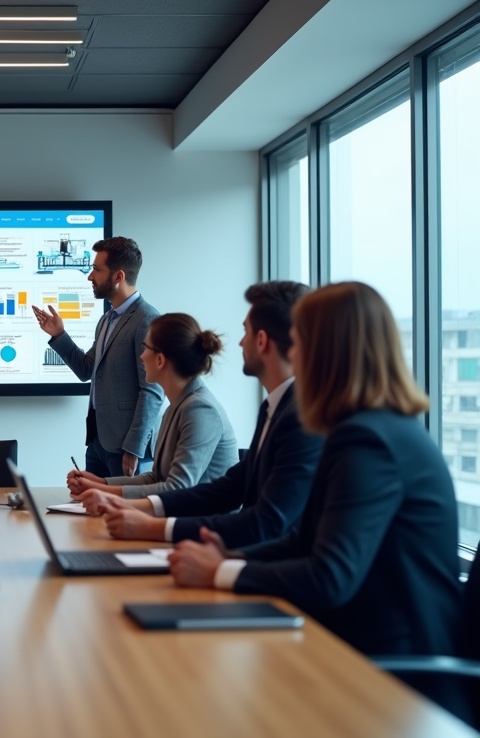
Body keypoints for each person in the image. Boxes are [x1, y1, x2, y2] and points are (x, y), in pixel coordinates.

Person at [168, 282, 463, 664]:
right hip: (360, 644)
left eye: (298, 340)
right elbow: (305, 542)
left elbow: (330, 577)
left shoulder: (367, 440)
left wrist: (222, 571)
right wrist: (232, 557)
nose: (293, 353)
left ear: (325, 351)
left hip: (396, 672)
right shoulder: (368, 427)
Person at [76, 281, 322, 549]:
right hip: (220, 546)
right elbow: (224, 490)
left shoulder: (294, 418)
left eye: (245, 332)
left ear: (262, 340)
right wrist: (106, 489)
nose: (240, 341)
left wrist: (148, 522)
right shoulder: (270, 408)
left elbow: (266, 522)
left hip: (221, 549)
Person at [66, 313, 238, 504]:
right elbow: (155, 478)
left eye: (145, 348)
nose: (141, 355)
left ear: (160, 360)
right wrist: (99, 483)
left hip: (203, 529)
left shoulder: (200, 409)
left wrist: (103, 492)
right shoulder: (176, 406)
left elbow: (176, 489)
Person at [33, 237, 163, 478]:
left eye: (96, 269)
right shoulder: (107, 319)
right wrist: (59, 335)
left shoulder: (146, 319)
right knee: (93, 511)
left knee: (122, 514)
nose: (90, 276)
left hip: (126, 448)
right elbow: (86, 369)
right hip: (98, 442)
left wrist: (133, 448)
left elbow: (153, 390)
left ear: (118, 276)